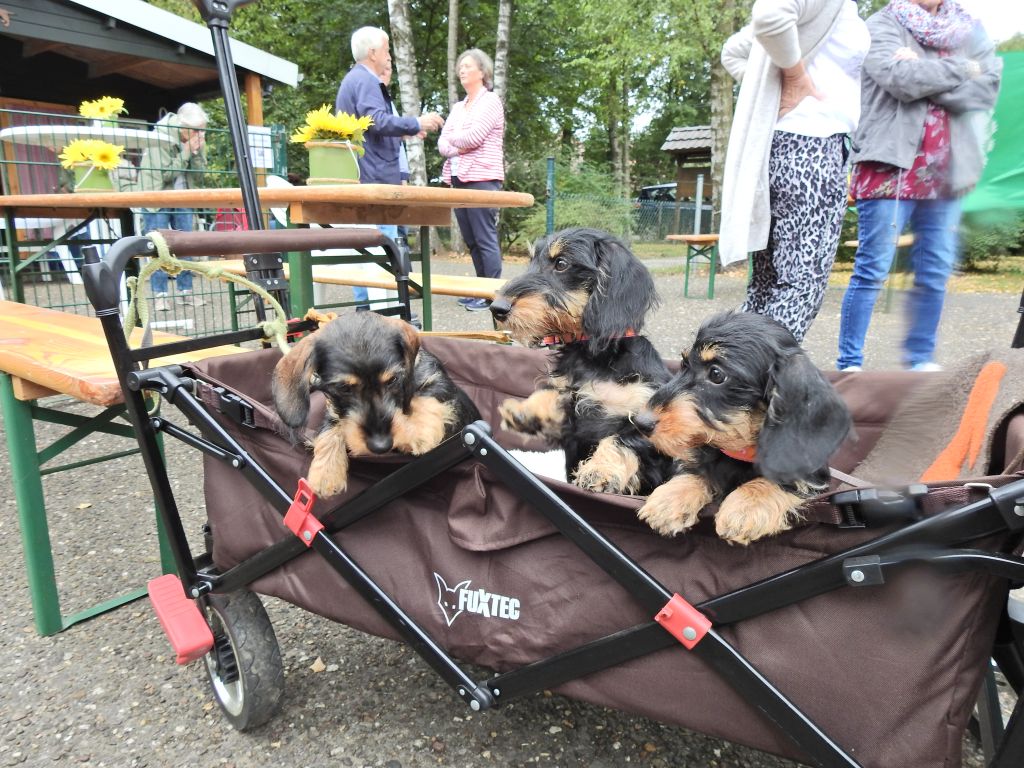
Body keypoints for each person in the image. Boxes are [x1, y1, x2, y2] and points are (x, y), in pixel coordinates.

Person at [836, 0, 1001, 372]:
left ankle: (920, 360)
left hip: (948, 173)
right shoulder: (881, 24)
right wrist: (964, 68)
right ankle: (850, 362)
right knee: (872, 269)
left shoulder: (970, 29)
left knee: (935, 270)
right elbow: (900, 80)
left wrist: (923, 73)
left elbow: (986, 90)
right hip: (888, 167)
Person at [719, 0, 870, 342]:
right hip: (813, 150)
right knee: (801, 284)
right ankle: (759, 369)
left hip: (778, 148)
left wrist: (773, 87)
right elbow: (770, 15)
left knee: (766, 283)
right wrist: (795, 78)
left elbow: (734, 51)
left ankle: (731, 367)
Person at [335, 26, 443, 311]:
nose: (389, 55)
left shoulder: (354, 79)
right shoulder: (366, 80)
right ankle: (383, 314)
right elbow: (377, 121)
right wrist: (416, 123)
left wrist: (404, 132)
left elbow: (370, 127)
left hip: (363, 174)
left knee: (364, 252)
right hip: (374, 179)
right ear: (373, 53)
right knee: (380, 248)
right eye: (386, 49)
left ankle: (366, 312)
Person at [438, 48, 506, 312]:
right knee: (471, 239)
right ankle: (479, 291)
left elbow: (475, 137)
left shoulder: (490, 101)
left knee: (484, 237)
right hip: (457, 178)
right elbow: (442, 144)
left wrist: (453, 139)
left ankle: (493, 294)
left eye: (467, 66)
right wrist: (458, 144)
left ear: (482, 71)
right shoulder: (458, 107)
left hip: (482, 178)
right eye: (460, 66)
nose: (462, 70)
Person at [136, 102, 209, 311]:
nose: (199, 134)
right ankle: (160, 295)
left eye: (201, 130)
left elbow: (200, 175)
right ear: (182, 126)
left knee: (186, 245)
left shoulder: (196, 138)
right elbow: (165, 174)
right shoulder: (160, 136)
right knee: (158, 246)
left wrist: (196, 153)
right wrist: (186, 152)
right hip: (157, 196)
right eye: (195, 130)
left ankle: (186, 292)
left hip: (183, 196)